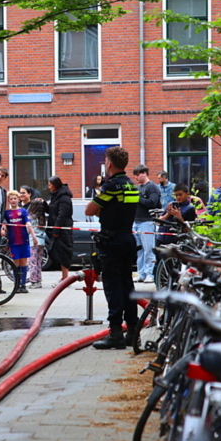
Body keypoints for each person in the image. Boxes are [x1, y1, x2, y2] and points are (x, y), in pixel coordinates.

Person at [87, 146, 140, 350]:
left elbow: (90, 210)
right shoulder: (132, 186)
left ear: (108, 164)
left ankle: (115, 333)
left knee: (113, 287)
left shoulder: (110, 187)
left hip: (111, 242)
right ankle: (133, 333)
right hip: (128, 239)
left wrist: (103, 210)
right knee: (127, 285)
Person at [1, 191, 35, 293]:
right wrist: (3, 229)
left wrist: (34, 236)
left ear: (18, 199)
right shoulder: (6, 213)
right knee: (16, 263)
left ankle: (23, 285)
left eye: (15, 198)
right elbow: (4, 224)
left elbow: (28, 223)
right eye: (11, 199)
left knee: (24, 263)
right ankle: (17, 284)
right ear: (8, 201)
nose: (13, 200)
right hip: (13, 241)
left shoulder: (23, 211)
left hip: (24, 240)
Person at [132, 164, 161, 284]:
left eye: (137, 175)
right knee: (139, 250)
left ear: (144, 173)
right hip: (137, 222)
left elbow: (152, 203)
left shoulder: (152, 187)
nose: (136, 177)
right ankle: (142, 273)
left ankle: (150, 274)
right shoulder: (138, 188)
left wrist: (137, 199)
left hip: (147, 222)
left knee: (149, 249)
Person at [46, 175, 74, 284]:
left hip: (63, 230)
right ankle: (64, 277)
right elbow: (52, 211)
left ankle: (65, 278)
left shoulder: (64, 197)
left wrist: (56, 230)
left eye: (50, 185)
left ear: (55, 185)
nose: (48, 187)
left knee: (64, 252)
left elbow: (62, 215)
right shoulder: (55, 196)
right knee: (57, 252)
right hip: (57, 229)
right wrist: (43, 204)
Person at [26, 196, 47, 289]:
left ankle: (33, 280)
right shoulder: (42, 218)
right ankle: (38, 280)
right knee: (38, 262)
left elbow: (28, 229)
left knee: (32, 262)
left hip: (33, 242)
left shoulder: (31, 218)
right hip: (41, 241)